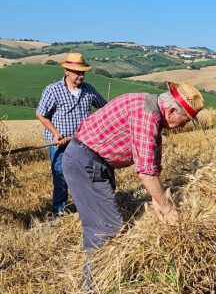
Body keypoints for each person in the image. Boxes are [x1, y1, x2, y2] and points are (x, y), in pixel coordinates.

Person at [61, 82, 204, 253]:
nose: (185, 125)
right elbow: (147, 174)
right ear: (172, 111)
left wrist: (157, 199)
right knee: (106, 230)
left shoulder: (153, 112)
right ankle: (94, 279)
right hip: (85, 163)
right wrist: (169, 209)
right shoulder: (146, 115)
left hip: (95, 163)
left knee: (105, 225)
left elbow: (153, 165)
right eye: (186, 119)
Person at [36, 53, 107, 217]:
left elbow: (104, 107)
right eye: (78, 72)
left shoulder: (89, 90)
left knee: (85, 175)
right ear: (67, 71)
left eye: (83, 72)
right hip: (59, 144)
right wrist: (55, 133)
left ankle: (86, 209)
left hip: (82, 143)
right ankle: (58, 213)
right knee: (60, 176)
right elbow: (41, 114)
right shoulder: (53, 90)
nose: (81, 75)